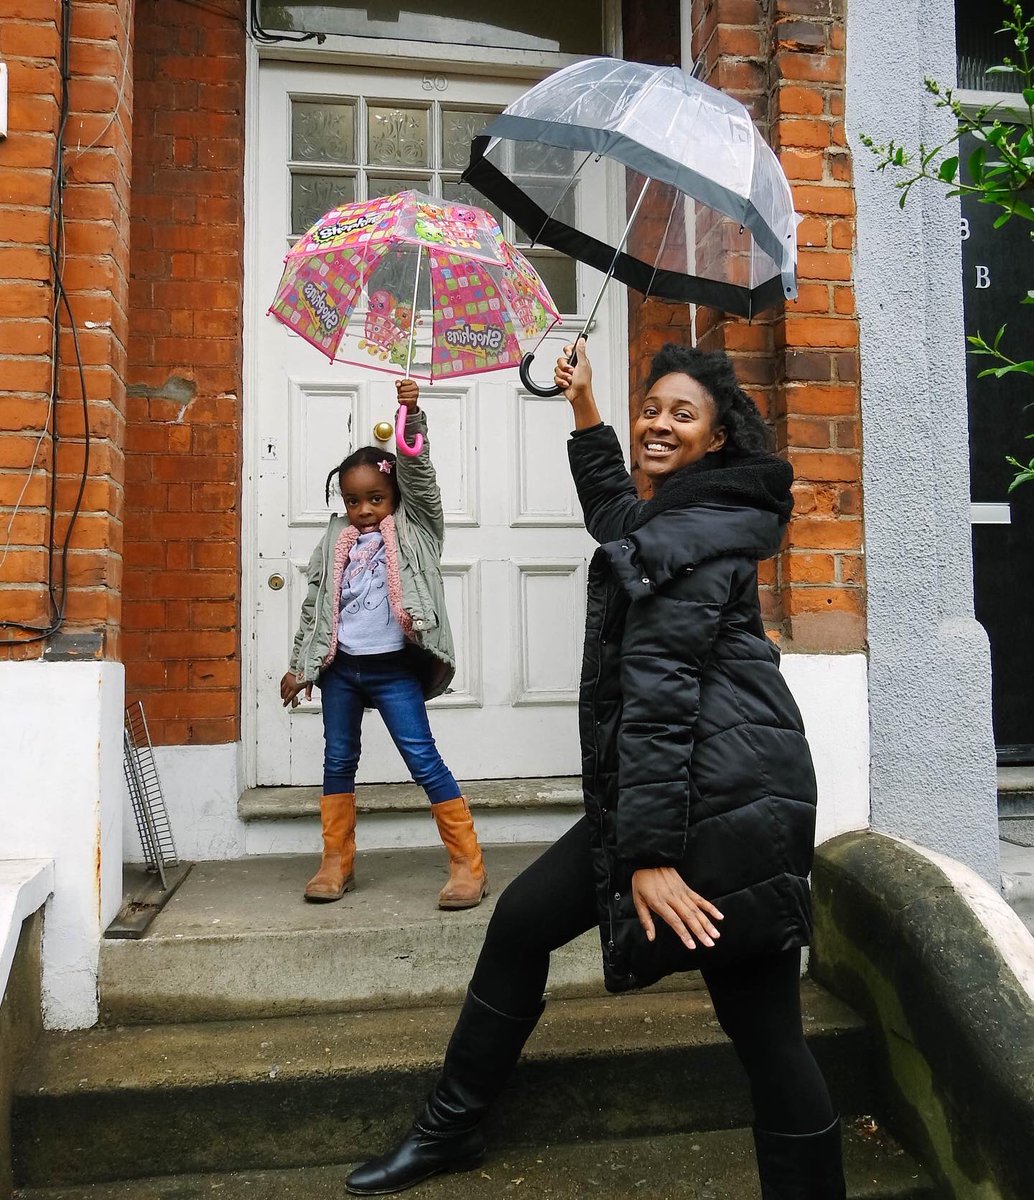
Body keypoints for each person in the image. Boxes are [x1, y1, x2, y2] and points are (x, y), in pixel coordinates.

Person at [344, 343, 846, 1199]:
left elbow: (658, 697)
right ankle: (452, 1128)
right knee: (525, 926)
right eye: (651, 407)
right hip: (708, 790)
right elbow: (620, 520)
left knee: (763, 1026)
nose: (658, 422)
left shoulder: (690, 534)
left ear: (719, 438)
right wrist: (585, 408)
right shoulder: (692, 515)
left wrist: (649, 857)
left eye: (682, 414)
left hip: (714, 808)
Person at [280, 378, 488, 910]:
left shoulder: (417, 528)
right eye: (353, 500)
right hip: (342, 670)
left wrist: (409, 418)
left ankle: (467, 864)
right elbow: (316, 608)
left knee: (423, 759)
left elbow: (419, 474)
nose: (365, 509)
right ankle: (336, 862)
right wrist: (302, 667)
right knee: (337, 760)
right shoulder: (335, 540)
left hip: (395, 668)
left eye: (376, 498)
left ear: (394, 497)